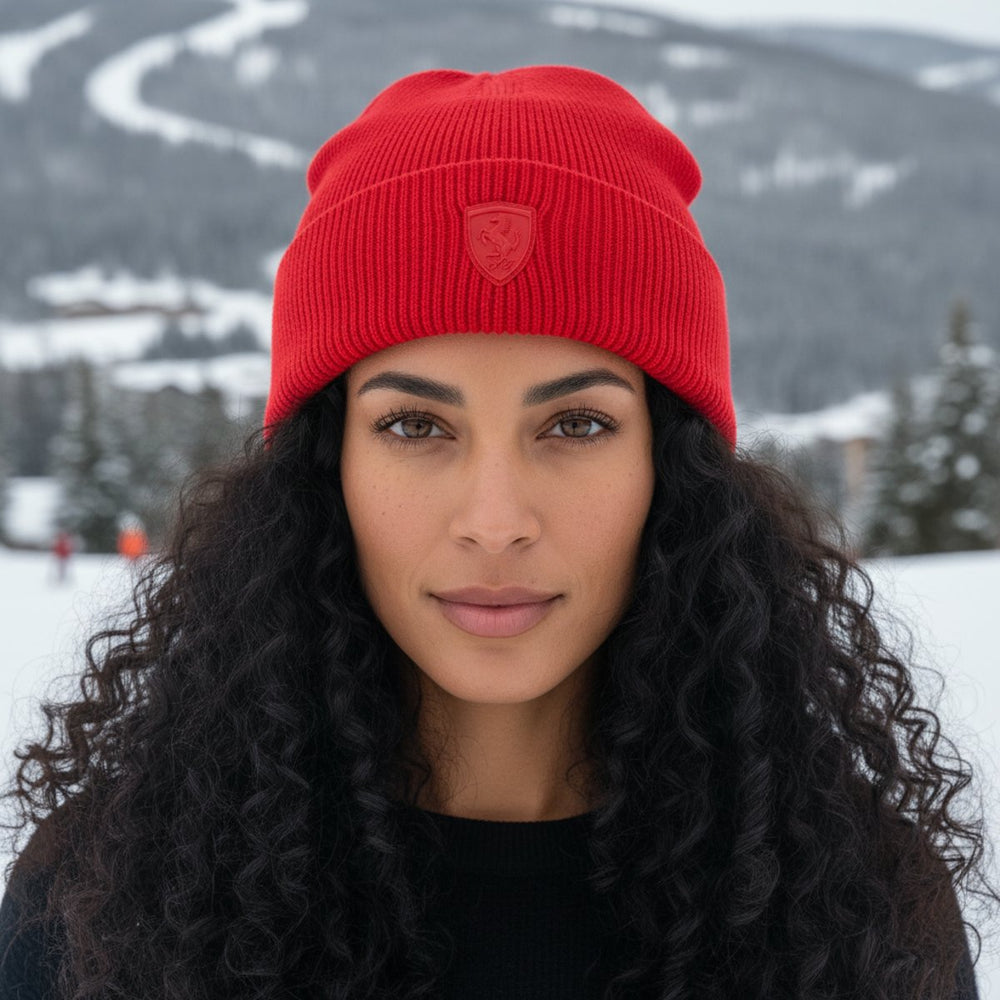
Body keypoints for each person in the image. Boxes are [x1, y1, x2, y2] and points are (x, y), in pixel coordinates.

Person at [0, 65, 993, 1000]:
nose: (495, 522)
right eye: (415, 425)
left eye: (575, 424)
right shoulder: (98, 904)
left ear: (671, 467)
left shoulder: (862, 912)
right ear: (324, 466)